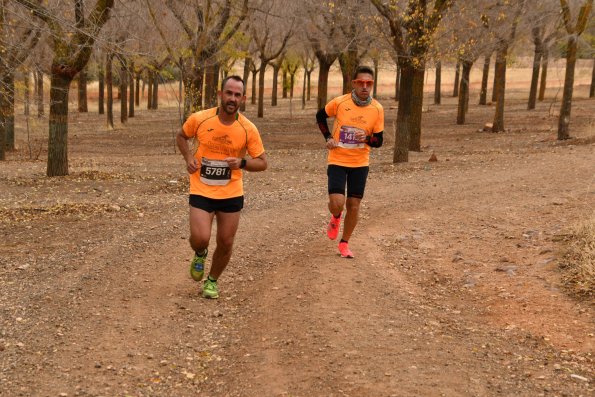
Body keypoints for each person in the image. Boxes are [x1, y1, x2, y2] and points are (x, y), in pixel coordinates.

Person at [177, 75, 267, 299]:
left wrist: (242, 163)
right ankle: (200, 252)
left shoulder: (248, 129)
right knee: (200, 238)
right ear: (220, 94)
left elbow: (263, 162)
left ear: (243, 99)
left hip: (231, 192)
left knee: (226, 242)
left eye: (237, 95)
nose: (232, 98)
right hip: (202, 188)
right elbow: (181, 136)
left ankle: (212, 281)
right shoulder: (200, 119)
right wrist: (188, 156)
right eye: (229, 93)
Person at [316, 65, 384, 258]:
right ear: (354, 83)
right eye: (361, 82)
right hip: (337, 159)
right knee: (337, 203)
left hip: (360, 163)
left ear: (372, 85)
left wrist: (367, 139)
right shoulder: (340, 102)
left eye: (368, 83)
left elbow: (379, 141)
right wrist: (328, 137)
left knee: (353, 205)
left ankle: (344, 243)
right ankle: (336, 216)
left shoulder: (377, 109)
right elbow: (320, 116)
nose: (364, 86)